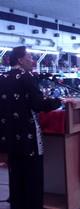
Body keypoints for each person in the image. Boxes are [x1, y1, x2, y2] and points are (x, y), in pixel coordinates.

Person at [0, 46, 62, 209]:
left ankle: (17, 204)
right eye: (30, 57)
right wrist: (59, 101)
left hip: (10, 136)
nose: (33, 61)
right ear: (20, 60)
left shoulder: (2, 77)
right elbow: (38, 104)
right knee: (33, 175)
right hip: (28, 135)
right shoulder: (27, 77)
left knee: (16, 173)